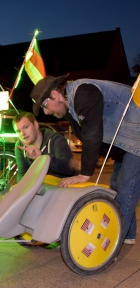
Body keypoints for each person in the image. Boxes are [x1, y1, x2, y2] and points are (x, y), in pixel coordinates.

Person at [30, 74, 140, 245]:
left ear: (55, 94)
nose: (46, 112)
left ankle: (111, 247)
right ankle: (128, 236)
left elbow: (92, 133)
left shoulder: (83, 92)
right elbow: (93, 135)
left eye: (45, 105)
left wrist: (85, 173)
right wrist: (88, 161)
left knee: (126, 190)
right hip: (124, 147)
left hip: (136, 139)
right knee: (117, 188)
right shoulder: (72, 109)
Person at [13, 111, 78, 183]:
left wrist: (42, 157)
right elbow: (22, 174)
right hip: (41, 189)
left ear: (36, 124)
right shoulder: (20, 146)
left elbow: (68, 170)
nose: (22, 133)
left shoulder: (56, 139)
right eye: (18, 131)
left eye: (26, 127)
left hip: (63, 187)